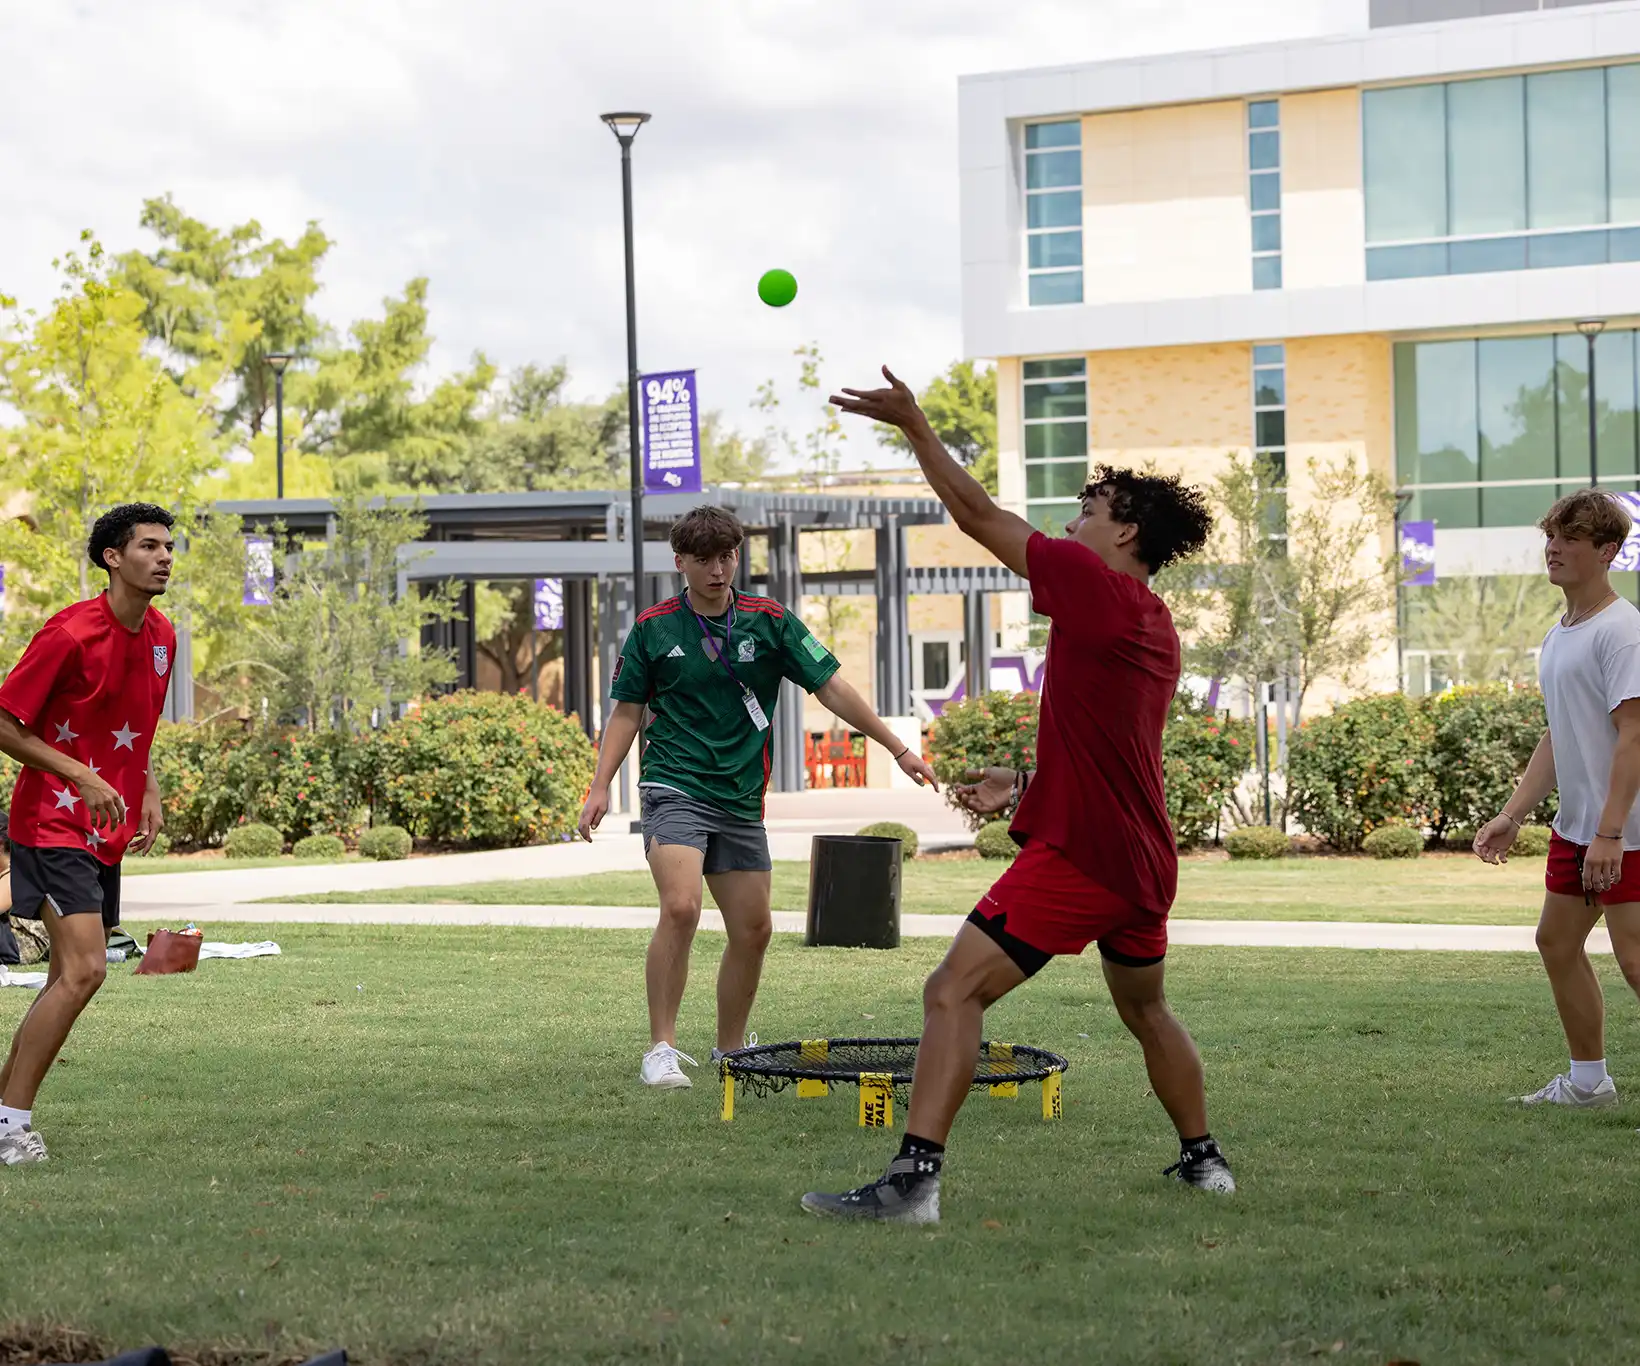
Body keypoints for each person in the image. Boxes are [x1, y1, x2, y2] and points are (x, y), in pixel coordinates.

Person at [800, 368, 1228, 1223]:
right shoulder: (1148, 619)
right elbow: (1116, 748)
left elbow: (977, 517)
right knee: (1147, 1010)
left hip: (1088, 858)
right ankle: (1204, 1161)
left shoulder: (1092, 584)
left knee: (951, 990)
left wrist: (916, 426)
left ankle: (913, 1180)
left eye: (1087, 508)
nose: (1070, 521)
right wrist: (1028, 781)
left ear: (1124, 530)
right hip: (1140, 856)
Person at [577, 505, 939, 1089]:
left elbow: (832, 688)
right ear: (681, 563)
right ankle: (661, 1048)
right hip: (673, 783)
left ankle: (730, 1051)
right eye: (704, 560)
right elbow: (626, 713)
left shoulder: (769, 621)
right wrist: (600, 787)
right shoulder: (655, 626)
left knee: (754, 928)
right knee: (681, 907)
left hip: (741, 793)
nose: (718, 570)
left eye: (727, 556)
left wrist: (897, 748)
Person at [0, 503, 176, 1164]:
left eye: (167, 548)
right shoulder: (69, 633)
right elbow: (5, 721)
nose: (163, 558)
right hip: (50, 822)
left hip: (105, 829)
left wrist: (147, 785)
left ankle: (2, 1114)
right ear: (112, 557)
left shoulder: (162, 635)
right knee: (85, 971)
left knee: (65, 978)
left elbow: (137, 721)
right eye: (149, 547)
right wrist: (83, 775)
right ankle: (11, 1126)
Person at [1475, 489, 1640, 1112]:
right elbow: (1559, 732)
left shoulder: (1623, 633)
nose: (1555, 547)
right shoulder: (1562, 633)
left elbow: (1635, 736)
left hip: (1626, 832)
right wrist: (1512, 815)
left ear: (1607, 552)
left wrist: (1611, 833)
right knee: (1556, 943)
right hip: (1581, 831)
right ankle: (1589, 1083)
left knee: (1636, 963)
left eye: (1571, 538)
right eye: (1552, 535)